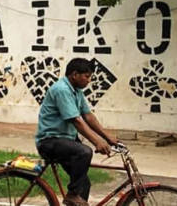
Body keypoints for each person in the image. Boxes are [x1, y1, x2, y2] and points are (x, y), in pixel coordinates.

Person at [36, 58, 120, 206]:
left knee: (84, 183)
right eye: (87, 76)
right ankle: (72, 195)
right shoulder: (62, 90)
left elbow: (88, 116)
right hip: (50, 141)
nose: (89, 80)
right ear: (75, 75)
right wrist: (97, 141)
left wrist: (107, 137)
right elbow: (76, 121)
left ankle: (75, 197)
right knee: (84, 152)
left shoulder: (76, 91)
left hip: (65, 140)